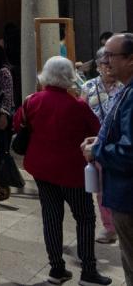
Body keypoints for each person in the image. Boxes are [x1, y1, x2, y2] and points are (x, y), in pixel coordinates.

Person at [13, 56, 109, 286]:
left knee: (51, 217)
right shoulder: (78, 106)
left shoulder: (32, 101)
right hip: (73, 173)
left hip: (42, 170)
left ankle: (56, 269)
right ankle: (88, 271)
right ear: (69, 77)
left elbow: (18, 124)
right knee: (85, 218)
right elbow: (97, 131)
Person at [83, 32, 133, 286]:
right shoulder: (126, 89)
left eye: (111, 55)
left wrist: (98, 151)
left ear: (130, 59)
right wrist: (100, 140)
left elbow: (129, 151)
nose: (105, 61)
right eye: (104, 56)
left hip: (128, 194)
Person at [81, 47, 123, 244]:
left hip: (119, 144)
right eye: (105, 63)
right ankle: (109, 227)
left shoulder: (124, 86)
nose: (109, 67)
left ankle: (122, 222)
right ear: (97, 66)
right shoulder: (88, 86)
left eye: (111, 63)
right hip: (96, 144)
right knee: (100, 189)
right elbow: (80, 113)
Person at [0, 44, 22, 201]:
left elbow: (8, 95)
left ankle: (3, 186)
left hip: (1, 116)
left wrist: (4, 114)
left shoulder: (4, 72)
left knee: (1, 151)